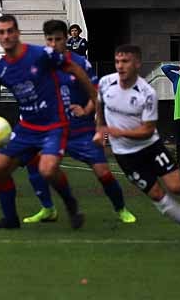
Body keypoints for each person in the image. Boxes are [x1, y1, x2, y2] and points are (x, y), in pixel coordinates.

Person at [0, 16, 97, 229]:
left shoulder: (40, 55)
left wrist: (94, 100)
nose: (6, 36)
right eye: (1, 32)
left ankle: (71, 204)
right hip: (27, 129)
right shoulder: (0, 69)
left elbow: (75, 70)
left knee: (47, 169)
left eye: (10, 31)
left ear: (17, 33)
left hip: (54, 124)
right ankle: (10, 219)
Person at [20, 21, 134, 225]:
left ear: (66, 40)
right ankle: (48, 208)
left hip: (81, 130)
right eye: (50, 39)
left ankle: (121, 209)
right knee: (34, 161)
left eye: (58, 39)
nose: (54, 44)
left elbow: (96, 93)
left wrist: (87, 110)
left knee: (103, 172)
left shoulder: (80, 63)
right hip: (52, 129)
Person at [94, 44, 180, 240]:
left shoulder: (147, 93)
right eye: (117, 61)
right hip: (125, 156)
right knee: (155, 194)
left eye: (125, 61)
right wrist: (100, 129)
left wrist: (115, 131)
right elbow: (100, 104)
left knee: (176, 188)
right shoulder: (105, 83)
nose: (120, 66)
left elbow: (146, 131)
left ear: (137, 64)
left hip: (150, 147)